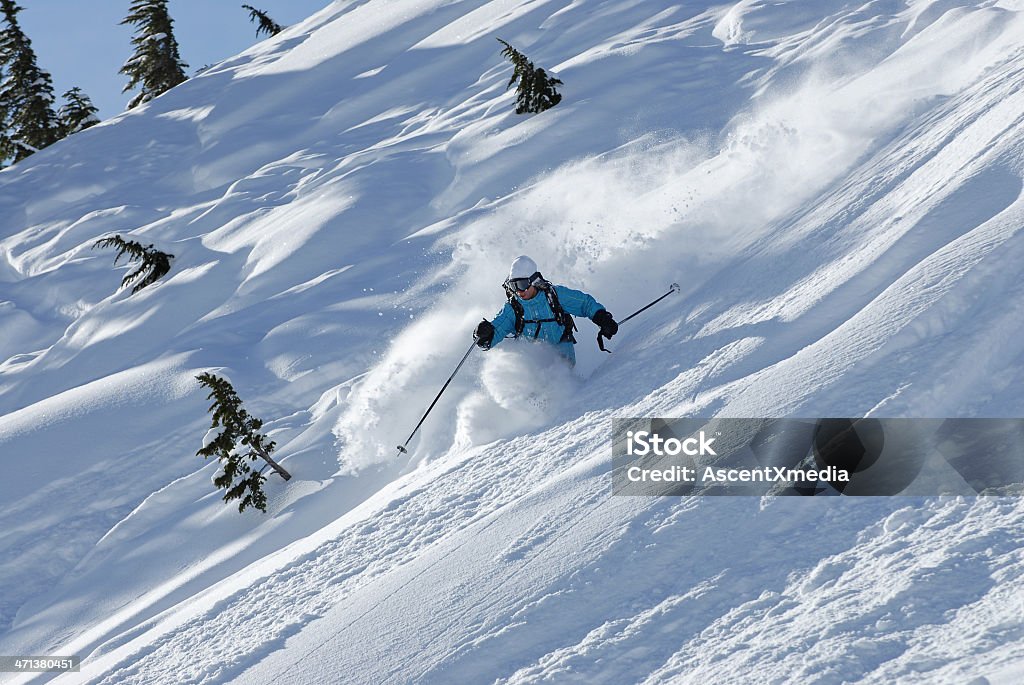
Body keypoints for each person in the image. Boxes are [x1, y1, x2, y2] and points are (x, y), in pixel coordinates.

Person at [473, 255, 618, 365]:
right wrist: (484, 335)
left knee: (561, 380)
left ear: (534, 281)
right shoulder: (513, 308)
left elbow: (584, 303)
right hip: (533, 360)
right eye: (513, 286)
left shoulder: (554, 296)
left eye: (522, 284)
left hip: (562, 351)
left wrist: (602, 318)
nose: (518, 291)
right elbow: (498, 328)